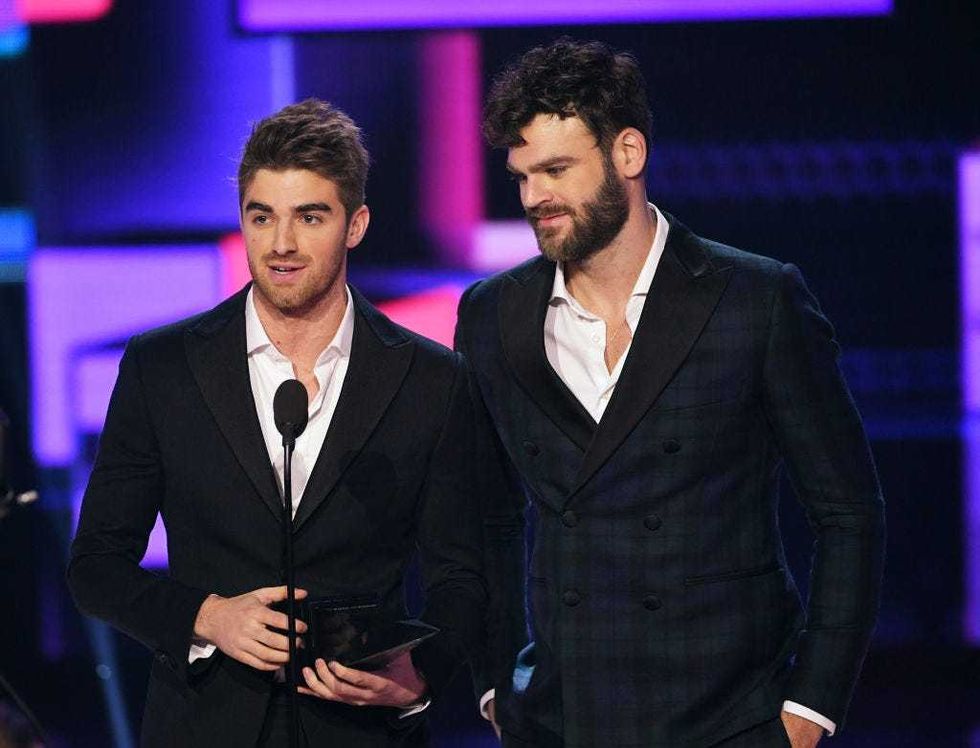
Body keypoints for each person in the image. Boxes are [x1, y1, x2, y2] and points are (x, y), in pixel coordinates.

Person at [455, 39, 885, 748]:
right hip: (565, 720)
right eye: (521, 176)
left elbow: (849, 513)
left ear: (628, 153)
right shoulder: (492, 315)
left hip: (731, 716)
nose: (534, 197)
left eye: (556, 169)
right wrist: (495, 684)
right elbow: (481, 518)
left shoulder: (755, 299)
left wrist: (810, 706)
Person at [68, 99, 486, 747]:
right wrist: (206, 618)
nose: (281, 244)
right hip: (203, 726)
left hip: (358, 732)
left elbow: (462, 575)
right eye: (262, 217)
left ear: (356, 224)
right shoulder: (164, 367)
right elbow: (96, 565)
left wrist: (421, 674)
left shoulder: (430, 379)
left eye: (309, 217)